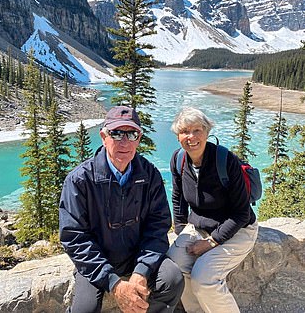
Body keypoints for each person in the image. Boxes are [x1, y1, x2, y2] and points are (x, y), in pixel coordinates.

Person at [59, 105, 184, 313]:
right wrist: (113, 283)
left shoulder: (149, 175)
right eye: (116, 133)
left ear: (139, 138)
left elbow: (158, 225)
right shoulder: (80, 180)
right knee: (85, 309)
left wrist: (142, 271)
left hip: (136, 256)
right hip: (97, 261)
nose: (125, 142)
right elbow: (74, 236)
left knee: (172, 279)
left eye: (132, 134)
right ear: (103, 136)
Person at [167, 107, 258, 313]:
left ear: (207, 132)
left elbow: (241, 213)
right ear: (178, 136)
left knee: (203, 278)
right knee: (174, 264)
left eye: (197, 130)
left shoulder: (225, 161)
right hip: (200, 226)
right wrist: (181, 230)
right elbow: (178, 196)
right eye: (184, 131)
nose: (191, 137)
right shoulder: (179, 160)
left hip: (238, 229)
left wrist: (211, 242)